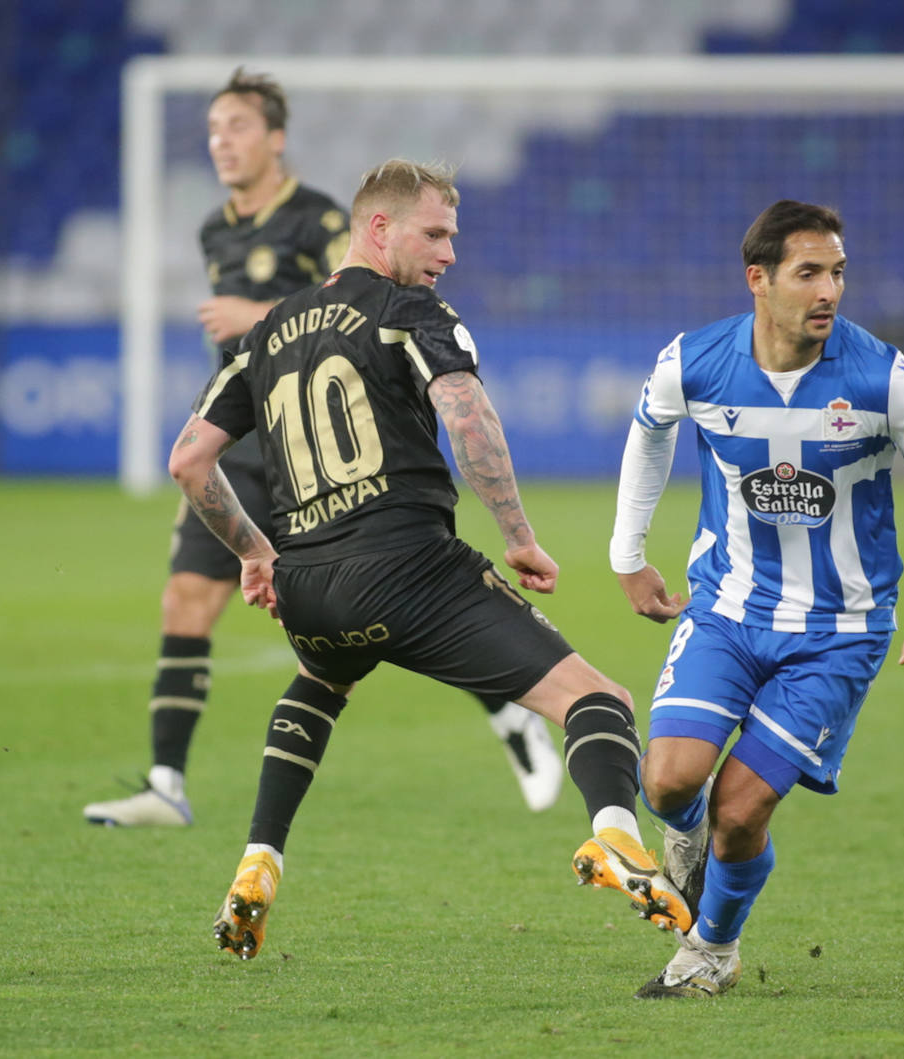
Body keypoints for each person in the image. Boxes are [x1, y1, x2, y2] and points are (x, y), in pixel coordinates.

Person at [168, 158, 691, 961]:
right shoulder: (408, 308)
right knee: (601, 700)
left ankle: (258, 859)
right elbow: (464, 409)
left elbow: (190, 461)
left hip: (307, 588)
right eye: (436, 232)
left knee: (320, 681)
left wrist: (255, 551)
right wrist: (517, 533)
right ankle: (615, 835)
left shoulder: (269, 328)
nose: (449, 253)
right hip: (410, 570)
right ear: (378, 227)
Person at [82, 69, 561, 828]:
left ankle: (508, 703)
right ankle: (166, 781)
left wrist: (252, 313)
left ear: (275, 138)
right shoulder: (217, 228)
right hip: (249, 437)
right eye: (212, 130)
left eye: (236, 126)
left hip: (332, 439)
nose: (221, 143)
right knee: (187, 597)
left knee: (395, 584)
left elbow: (349, 301)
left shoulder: (316, 219)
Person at [610, 200, 904, 998]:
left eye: (839, 273)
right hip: (728, 608)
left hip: (839, 630)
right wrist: (629, 552)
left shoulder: (881, 376)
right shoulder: (696, 361)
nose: (829, 290)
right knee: (669, 782)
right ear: (760, 279)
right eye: (809, 272)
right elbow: (651, 429)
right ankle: (685, 849)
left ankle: (711, 949)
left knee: (742, 811)